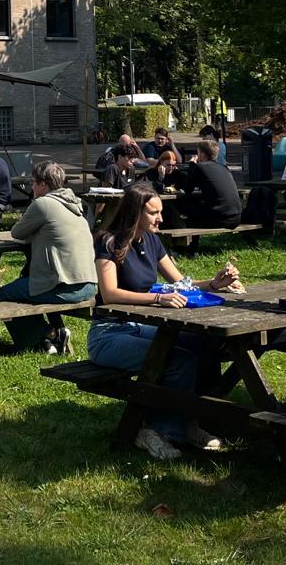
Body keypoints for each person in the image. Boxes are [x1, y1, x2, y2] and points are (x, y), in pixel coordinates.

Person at [87, 184, 241, 459]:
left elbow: (179, 283)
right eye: (153, 212)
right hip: (109, 333)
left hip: (143, 325)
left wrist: (214, 283)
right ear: (135, 213)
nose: (160, 218)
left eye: (161, 212)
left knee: (202, 345)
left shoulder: (152, 240)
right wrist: (158, 300)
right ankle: (155, 431)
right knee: (177, 360)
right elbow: (109, 294)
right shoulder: (108, 242)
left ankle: (189, 421)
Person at [0, 161, 97, 353]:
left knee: (3, 294)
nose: (31, 187)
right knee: (26, 284)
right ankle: (51, 337)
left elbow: (17, 232)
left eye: (33, 182)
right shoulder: (74, 203)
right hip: (89, 284)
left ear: (43, 185)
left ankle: (46, 334)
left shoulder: (43, 204)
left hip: (63, 286)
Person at [164, 139, 243, 228]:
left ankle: (173, 229)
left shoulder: (200, 167)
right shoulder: (224, 167)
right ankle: (190, 236)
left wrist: (192, 165)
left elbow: (187, 190)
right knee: (195, 206)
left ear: (202, 154)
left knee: (174, 203)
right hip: (236, 217)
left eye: (198, 152)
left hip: (219, 218)